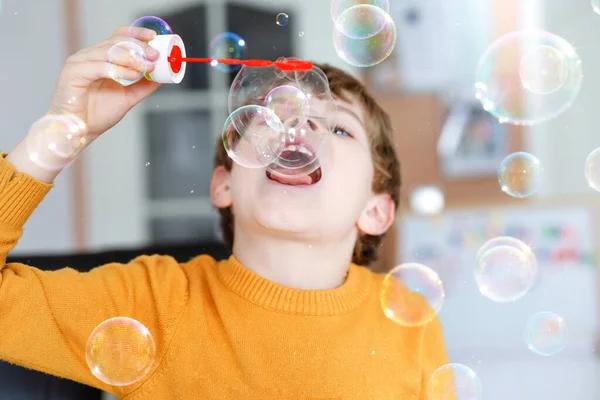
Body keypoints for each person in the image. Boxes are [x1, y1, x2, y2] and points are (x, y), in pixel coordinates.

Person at [0, 26, 450, 399]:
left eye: (338, 127)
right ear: (224, 185)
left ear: (375, 211)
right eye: (272, 118)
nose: (300, 127)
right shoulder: (155, 302)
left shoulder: (413, 321)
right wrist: (57, 133)